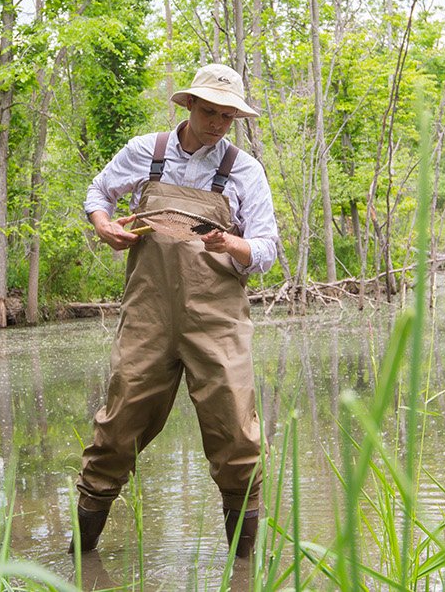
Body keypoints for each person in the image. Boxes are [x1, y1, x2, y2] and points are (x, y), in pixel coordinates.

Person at [75, 63, 278, 558]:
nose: (218, 124)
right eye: (210, 112)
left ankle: (243, 573)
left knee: (237, 439)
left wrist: (233, 243)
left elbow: (268, 249)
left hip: (218, 320)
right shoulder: (147, 152)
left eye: (229, 116)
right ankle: (80, 559)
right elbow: (98, 195)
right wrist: (104, 226)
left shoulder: (244, 170)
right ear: (188, 105)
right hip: (148, 315)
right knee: (116, 432)